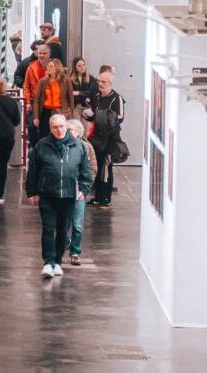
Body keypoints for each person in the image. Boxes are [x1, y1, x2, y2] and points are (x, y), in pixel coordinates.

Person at [25, 113, 94, 278]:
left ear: (66, 127)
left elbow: (85, 170)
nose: (59, 130)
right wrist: (31, 192)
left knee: (63, 231)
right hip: (48, 195)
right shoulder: (42, 146)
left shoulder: (78, 146)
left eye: (62, 126)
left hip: (69, 196)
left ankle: (57, 261)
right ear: (50, 129)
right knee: (48, 229)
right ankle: (48, 262)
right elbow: (33, 171)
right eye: (55, 127)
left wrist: (83, 190)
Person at [65, 118, 99, 266]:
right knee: (62, 223)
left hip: (79, 190)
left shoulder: (86, 147)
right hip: (63, 190)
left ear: (78, 132)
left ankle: (75, 252)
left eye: (69, 130)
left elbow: (92, 168)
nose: (66, 132)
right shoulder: (59, 145)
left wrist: (85, 189)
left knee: (78, 224)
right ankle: (64, 242)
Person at [89, 66, 124, 207]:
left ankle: (106, 198)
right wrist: (91, 117)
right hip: (97, 136)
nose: (100, 84)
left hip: (110, 137)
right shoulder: (97, 96)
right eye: (99, 81)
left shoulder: (117, 98)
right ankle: (98, 196)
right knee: (97, 166)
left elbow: (120, 117)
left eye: (103, 82)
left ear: (110, 83)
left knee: (106, 168)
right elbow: (95, 114)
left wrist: (103, 117)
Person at [34, 58, 73, 138]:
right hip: (46, 111)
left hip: (60, 111)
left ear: (57, 68)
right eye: (48, 66)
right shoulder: (43, 81)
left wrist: (71, 115)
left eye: (51, 66)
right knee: (44, 135)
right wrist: (36, 117)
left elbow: (71, 99)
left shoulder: (66, 80)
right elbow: (37, 100)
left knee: (59, 134)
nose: (48, 68)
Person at [22, 43, 51, 144]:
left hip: (48, 101)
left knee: (46, 126)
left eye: (44, 53)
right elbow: (26, 86)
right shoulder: (32, 67)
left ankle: (44, 146)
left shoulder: (53, 67)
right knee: (31, 126)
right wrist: (27, 102)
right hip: (34, 101)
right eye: (40, 53)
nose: (41, 55)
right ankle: (34, 146)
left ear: (49, 54)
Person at [69, 56, 99, 121]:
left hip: (88, 106)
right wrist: (85, 97)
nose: (82, 67)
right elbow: (70, 94)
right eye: (79, 66)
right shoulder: (70, 79)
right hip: (76, 105)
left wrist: (78, 93)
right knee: (76, 123)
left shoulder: (90, 77)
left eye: (83, 65)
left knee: (87, 125)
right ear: (75, 67)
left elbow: (92, 92)